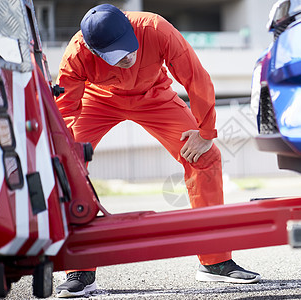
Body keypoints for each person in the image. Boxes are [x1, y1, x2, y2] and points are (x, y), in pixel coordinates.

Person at [54, 3, 260, 298]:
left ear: (130, 27)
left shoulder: (155, 28)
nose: (127, 58)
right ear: (94, 51)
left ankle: (215, 262)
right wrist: (69, 152)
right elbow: (66, 111)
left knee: (204, 156)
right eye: (116, 55)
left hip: (154, 96)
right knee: (67, 164)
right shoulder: (76, 54)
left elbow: (195, 77)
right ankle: (79, 270)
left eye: (128, 47)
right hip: (99, 100)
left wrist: (206, 131)